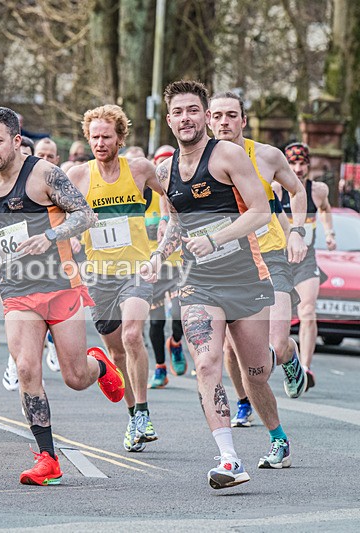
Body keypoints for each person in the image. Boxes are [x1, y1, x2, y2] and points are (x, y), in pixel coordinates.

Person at [144, 80, 293, 489]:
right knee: (207, 363)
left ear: (205, 116)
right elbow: (176, 220)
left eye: (193, 110)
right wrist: (159, 255)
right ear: (169, 119)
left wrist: (215, 239)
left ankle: (277, 432)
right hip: (199, 281)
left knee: (256, 372)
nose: (185, 118)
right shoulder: (165, 171)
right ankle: (229, 458)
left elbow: (261, 212)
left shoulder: (226, 155)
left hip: (245, 276)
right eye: (178, 112)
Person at [0, 106, 124, 485]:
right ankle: (47, 458)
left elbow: (86, 215)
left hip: (59, 286)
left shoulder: (44, 174)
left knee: (74, 377)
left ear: (17, 141)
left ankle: (99, 365)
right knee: (26, 369)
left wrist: (50, 236)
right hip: (17, 291)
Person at [68, 104, 165, 452]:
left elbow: (172, 196)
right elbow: (57, 216)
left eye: (106, 136)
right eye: (94, 136)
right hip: (99, 276)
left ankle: (143, 411)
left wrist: (167, 225)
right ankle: (132, 418)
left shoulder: (139, 169)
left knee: (133, 334)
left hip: (136, 269)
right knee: (115, 351)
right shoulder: (79, 176)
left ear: (120, 138)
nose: (99, 142)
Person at [207, 92, 308, 425]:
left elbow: (297, 190)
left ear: (243, 120)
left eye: (231, 115)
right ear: (209, 119)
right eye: (218, 115)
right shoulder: (200, 161)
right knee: (232, 348)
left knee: (275, 343)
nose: (224, 122)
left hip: (271, 257)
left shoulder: (267, 156)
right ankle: (244, 401)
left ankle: (290, 355)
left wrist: (297, 230)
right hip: (231, 264)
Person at [279, 142, 336, 390]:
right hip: (279, 260)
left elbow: (325, 210)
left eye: (302, 163)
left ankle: (305, 366)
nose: (298, 169)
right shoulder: (274, 189)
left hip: (306, 260)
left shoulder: (318, 190)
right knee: (277, 319)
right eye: (292, 163)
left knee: (308, 311)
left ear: (309, 164)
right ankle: (285, 360)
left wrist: (330, 232)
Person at [145, 145, 187, 388]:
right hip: (155, 266)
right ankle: (160, 368)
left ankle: (177, 341)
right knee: (156, 320)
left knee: (181, 312)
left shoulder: (183, 193)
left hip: (181, 263)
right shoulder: (146, 196)